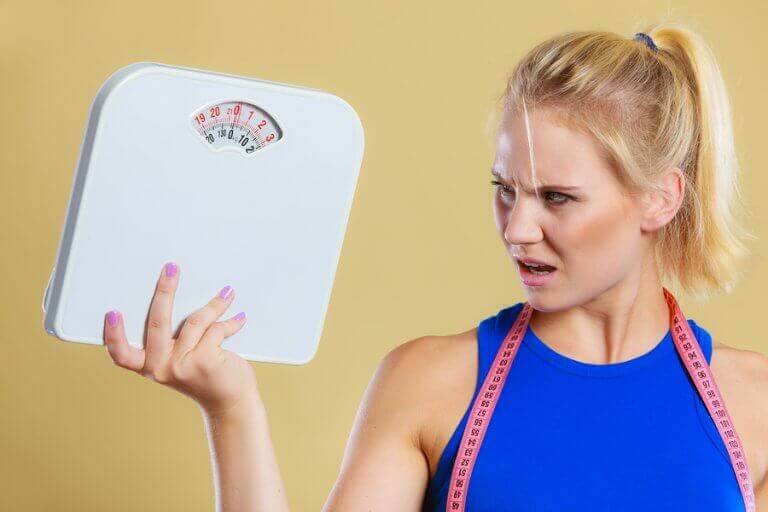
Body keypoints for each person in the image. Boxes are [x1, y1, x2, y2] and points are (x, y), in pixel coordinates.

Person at [101, 20, 768, 511]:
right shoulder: (432, 383)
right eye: (505, 190)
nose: (518, 227)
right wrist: (231, 406)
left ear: (660, 199)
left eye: (556, 198)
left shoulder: (755, 404)